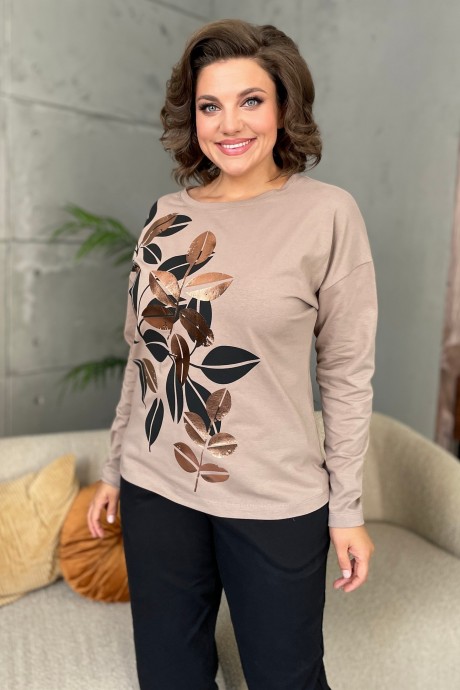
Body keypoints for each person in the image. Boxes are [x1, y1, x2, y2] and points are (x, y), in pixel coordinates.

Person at [87, 18, 377, 690]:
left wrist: (347, 509)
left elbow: (345, 372)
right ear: (192, 119)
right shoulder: (166, 216)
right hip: (156, 486)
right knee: (170, 676)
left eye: (251, 100)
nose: (229, 124)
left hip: (275, 498)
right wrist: (113, 467)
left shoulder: (327, 214)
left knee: (286, 677)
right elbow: (143, 356)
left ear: (284, 106)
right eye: (209, 106)